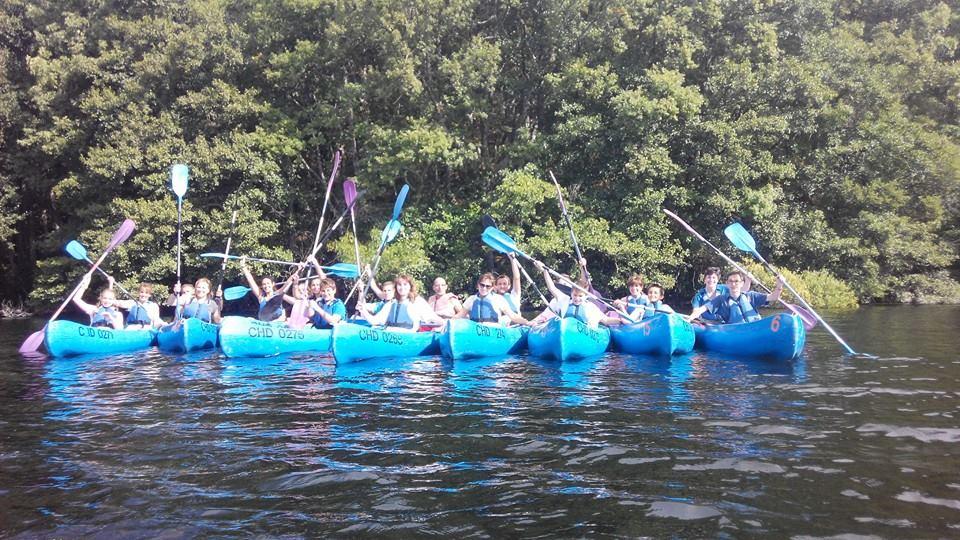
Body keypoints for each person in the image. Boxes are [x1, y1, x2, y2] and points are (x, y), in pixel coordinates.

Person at [535, 261, 620, 328]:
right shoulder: (564, 300)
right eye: (575, 295)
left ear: (585, 296)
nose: (577, 298)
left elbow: (606, 320)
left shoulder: (590, 307)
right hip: (566, 329)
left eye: (580, 296)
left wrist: (620, 320)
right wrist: (545, 271)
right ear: (571, 294)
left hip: (584, 333)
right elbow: (552, 287)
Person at [689, 270, 784, 324]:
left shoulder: (751, 295)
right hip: (736, 330)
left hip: (754, 326)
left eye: (736, 281)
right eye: (730, 281)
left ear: (741, 283)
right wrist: (690, 319)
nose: (733, 284)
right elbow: (703, 308)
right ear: (727, 283)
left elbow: (774, 297)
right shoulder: (721, 299)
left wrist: (779, 285)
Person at [357, 274, 443, 331]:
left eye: (405, 284)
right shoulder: (391, 303)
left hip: (408, 337)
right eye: (399, 285)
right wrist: (363, 310)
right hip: (390, 335)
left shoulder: (418, 301)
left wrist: (440, 326)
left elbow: (434, 319)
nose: (402, 287)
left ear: (410, 286)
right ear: (396, 287)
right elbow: (374, 321)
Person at [453, 273, 529, 326]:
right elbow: (459, 315)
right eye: (482, 285)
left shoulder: (499, 299)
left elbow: (513, 316)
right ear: (478, 285)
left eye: (488, 286)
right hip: (475, 329)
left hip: (493, 330)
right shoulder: (471, 299)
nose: (484, 288)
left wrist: (527, 322)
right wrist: (448, 323)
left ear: (492, 287)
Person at [241, 256, 296, 322]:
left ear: (273, 284)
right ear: (262, 286)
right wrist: (243, 266)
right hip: (265, 325)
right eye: (264, 284)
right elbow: (251, 281)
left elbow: (289, 281)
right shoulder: (261, 297)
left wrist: (300, 268)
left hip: (277, 323)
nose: (266, 286)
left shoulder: (278, 294)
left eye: (268, 283)